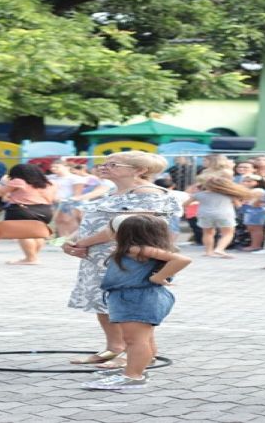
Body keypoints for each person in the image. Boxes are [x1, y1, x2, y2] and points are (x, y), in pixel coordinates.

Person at [63, 151, 179, 368]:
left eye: (113, 164)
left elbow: (127, 226)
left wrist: (84, 243)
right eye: (103, 163)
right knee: (103, 303)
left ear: (140, 170)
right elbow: (94, 221)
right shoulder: (112, 192)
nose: (104, 167)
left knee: (128, 308)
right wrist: (70, 241)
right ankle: (114, 347)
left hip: (128, 260)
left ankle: (137, 352)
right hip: (98, 259)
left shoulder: (148, 193)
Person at [81, 214, 191, 390]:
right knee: (143, 339)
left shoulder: (136, 249)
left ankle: (133, 376)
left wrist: (158, 277)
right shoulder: (137, 249)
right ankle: (137, 368)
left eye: (113, 229)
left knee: (135, 340)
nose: (110, 233)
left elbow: (182, 259)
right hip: (136, 297)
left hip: (137, 298)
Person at [0, 164, 57, 265]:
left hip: (24, 210)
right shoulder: (50, 183)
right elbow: (52, 198)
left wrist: (3, 182)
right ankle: (32, 256)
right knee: (38, 234)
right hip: (45, 210)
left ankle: (30, 259)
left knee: (24, 235)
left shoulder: (18, 181)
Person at [184, 177, 252, 258]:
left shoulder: (199, 194)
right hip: (224, 214)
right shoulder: (229, 194)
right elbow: (238, 206)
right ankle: (219, 249)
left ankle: (209, 251)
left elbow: (185, 204)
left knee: (208, 233)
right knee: (228, 233)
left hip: (205, 214)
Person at [48, 160, 86, 237]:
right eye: (52, 167)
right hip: (55, 202)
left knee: (68, 221)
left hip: (70, 203)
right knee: (59, 221)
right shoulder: (49, 178)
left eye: (56, 167)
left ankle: (72, 239)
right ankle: (63, 239)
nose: (53, 168)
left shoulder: (76, 178)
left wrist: (66, 200)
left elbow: (77, 193)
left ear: (66, 167)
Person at [238, 174, 265, 251]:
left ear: (257, 182)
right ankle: (254, 244)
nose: (245, 183)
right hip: (250, 210)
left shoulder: (258, 190)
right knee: (251, 228)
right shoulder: (249, 190)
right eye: (244, 181)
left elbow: (252, 201)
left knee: (256, 229)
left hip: (255, 211)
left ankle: (256, 245)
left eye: (249, 181)